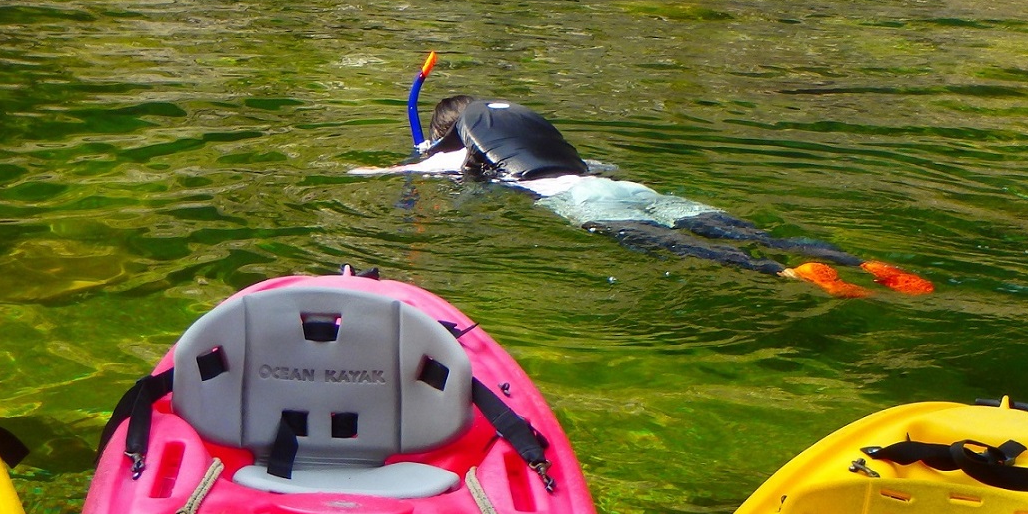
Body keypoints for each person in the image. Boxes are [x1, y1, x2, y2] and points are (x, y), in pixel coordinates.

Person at [355, 95, 932, 297]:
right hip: (620, 186)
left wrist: (382, 166)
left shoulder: (459, 152)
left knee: (673, 248)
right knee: (743, 228)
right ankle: (867, 264)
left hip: (579, 204)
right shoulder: (531, 136)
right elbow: (596, 164)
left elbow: (380, 174)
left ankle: (791, 276)